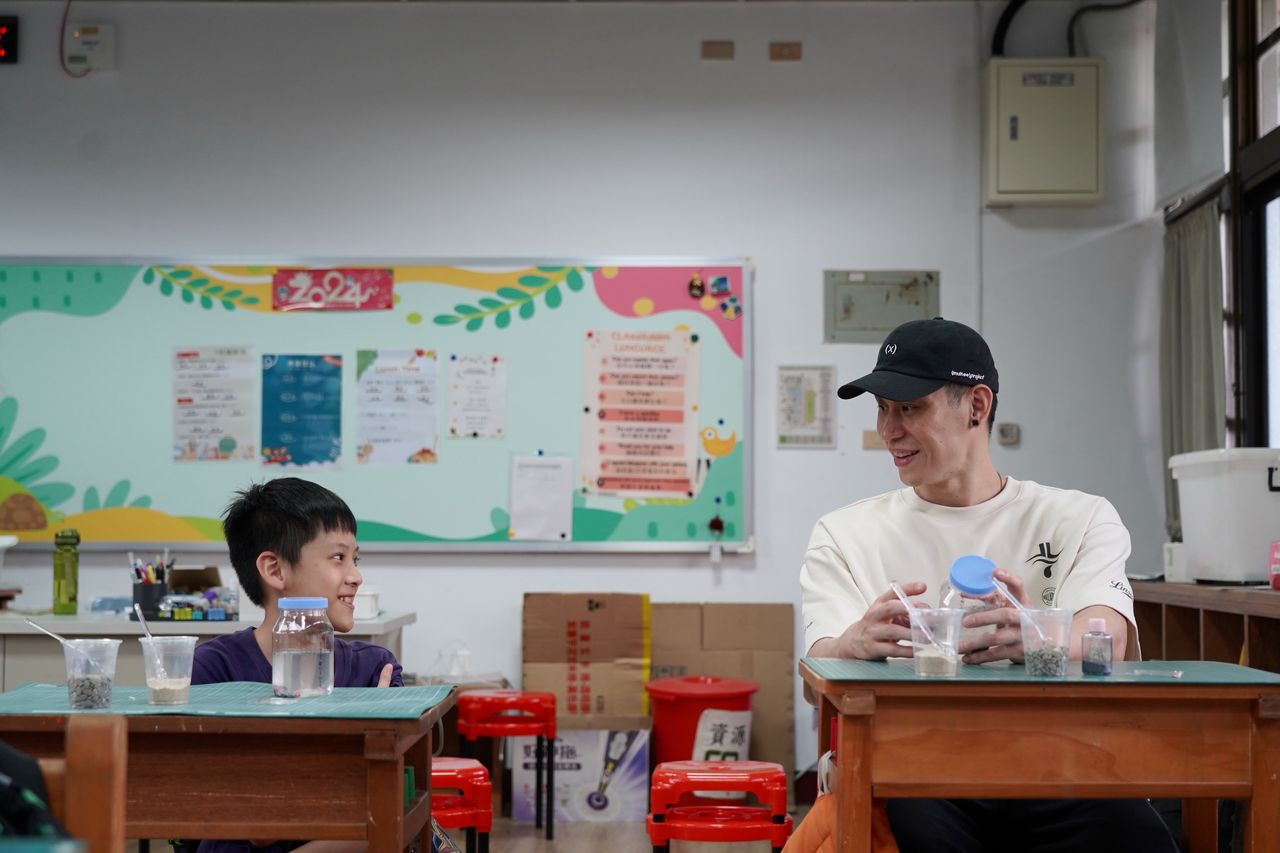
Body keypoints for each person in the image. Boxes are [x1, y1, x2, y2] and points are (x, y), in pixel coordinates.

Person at [799, 318, 1178, 853]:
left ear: (977, 406)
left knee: (1135, 835)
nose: (889, 430)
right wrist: (849, 645)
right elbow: (816, 672)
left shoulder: (1079, 518)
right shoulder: (845, 533)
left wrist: (1040, 637)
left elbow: (1108, 638)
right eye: (882, 409)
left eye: (909, 408)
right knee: (909, 829)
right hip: (915, 769)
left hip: (1062, 765)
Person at [190, 477, 456, 853]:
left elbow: (390, 804)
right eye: (338, 558)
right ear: (275, 570)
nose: (356, 576)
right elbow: (240, 819)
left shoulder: (374, 668)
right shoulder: (213, 670)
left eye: (355, 559)